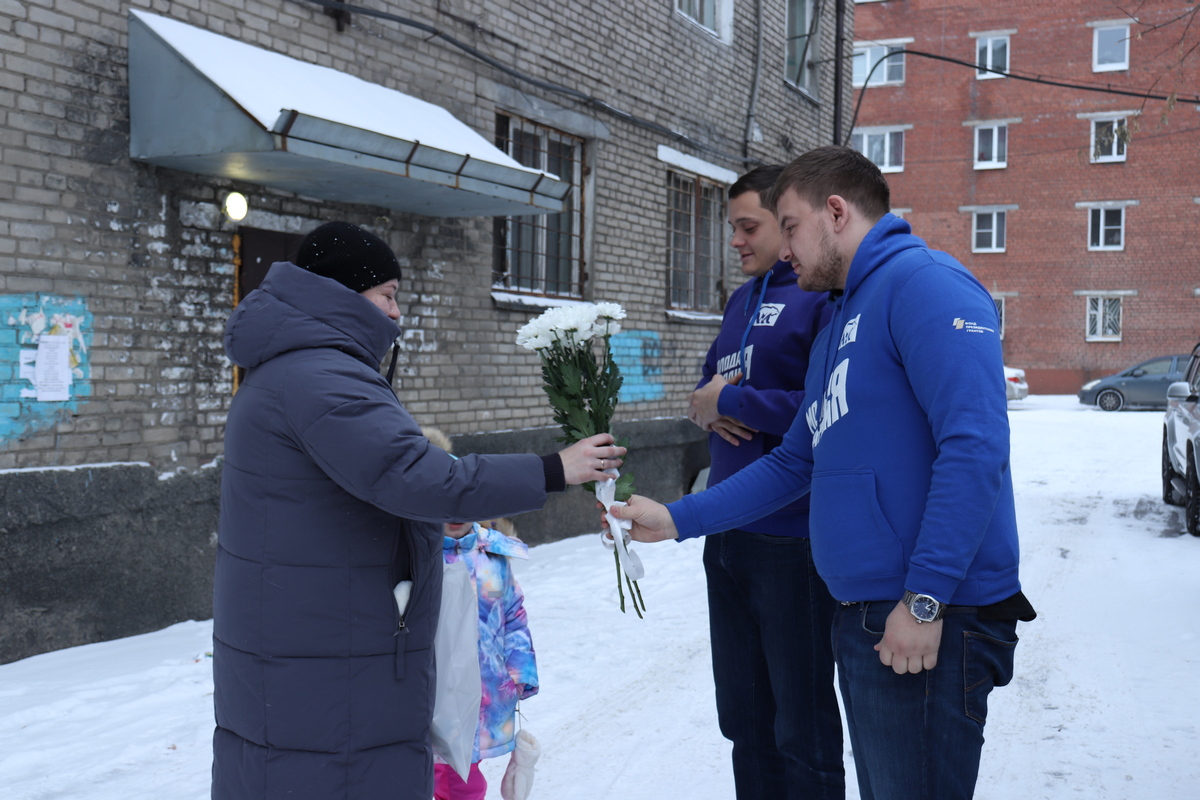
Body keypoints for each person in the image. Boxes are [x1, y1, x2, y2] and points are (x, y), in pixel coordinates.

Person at [610, 146, 1035, 800]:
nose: (784, 250)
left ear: (835, 212)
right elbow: (793, 462)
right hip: (868, 616)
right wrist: (676, 518)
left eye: (789, 225)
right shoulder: (841, 317)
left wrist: (925, 597)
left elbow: (975, 448)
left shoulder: (925, 285)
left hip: (928, 621)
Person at [212, 221, 624, 800]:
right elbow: (418, 476)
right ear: (341, 294)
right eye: (387, 295)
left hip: (311, 644)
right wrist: (554, 469)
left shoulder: (295, 367)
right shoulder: (320, 377)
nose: (396, 313)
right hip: (328, 657)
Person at [686, 165, 842, 799]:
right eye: (733, 228)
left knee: (800, 728)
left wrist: (738, 403)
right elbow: (704, 394)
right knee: (744, 722)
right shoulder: (740, 299)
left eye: (748, 227)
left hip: (791, 542)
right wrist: (714, 402)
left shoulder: (821, 297)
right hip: (726, 537)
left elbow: (824, 408)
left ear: (789, 224)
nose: (736, 241)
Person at [434, 516, 537, 800]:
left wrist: (518, 674)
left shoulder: (492, 558)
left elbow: (513, 617)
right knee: (448, 777)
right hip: (434, 694)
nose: (455, 516)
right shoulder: (419, 555)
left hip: (485, 691)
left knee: (461, 780)